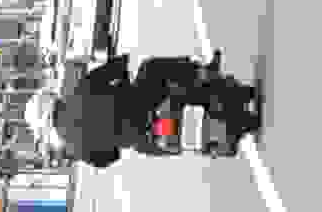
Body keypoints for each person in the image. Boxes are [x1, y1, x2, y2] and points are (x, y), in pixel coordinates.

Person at [49, 49, 264, 164]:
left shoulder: (77, 148)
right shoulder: (80, 90)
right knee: (153, 68)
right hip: (146, 101)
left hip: (148, 135)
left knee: (162, 140)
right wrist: (123, 66)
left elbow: (110, 158)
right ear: (55, 101)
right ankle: (206, 74)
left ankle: (225, 135)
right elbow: (113, 69)